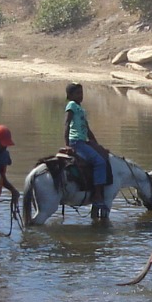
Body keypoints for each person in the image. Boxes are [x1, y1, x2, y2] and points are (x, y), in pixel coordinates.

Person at [63, 82, 111, 221]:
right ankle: (97, 195)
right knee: (99, 162)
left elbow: (87, 129)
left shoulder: (81, 109)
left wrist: (96, 144)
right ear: (70, 95)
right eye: (77, 93)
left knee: (101, 155)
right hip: (76, 142)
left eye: (81, 93)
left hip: (83, 141)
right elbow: (67, 124)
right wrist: (67, 145)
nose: (81, 95)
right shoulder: (71, 106)